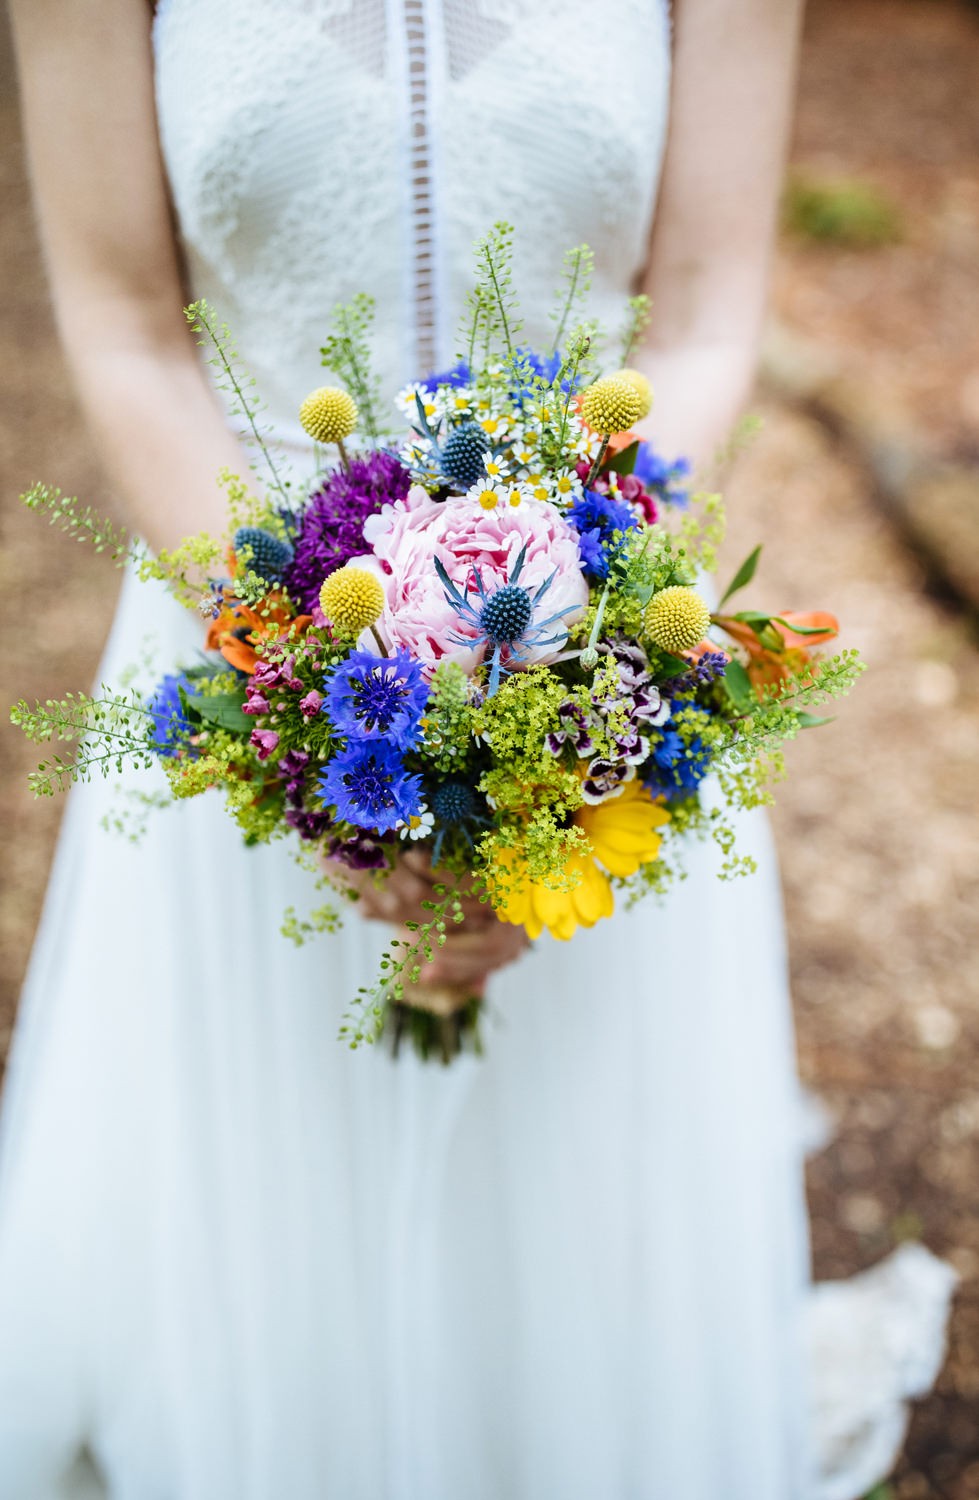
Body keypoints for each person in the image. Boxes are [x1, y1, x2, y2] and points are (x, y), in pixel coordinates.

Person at [1, 2, 946, 1497]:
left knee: (577, 1219)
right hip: (239, 628)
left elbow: (702, 308)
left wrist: (579, 680)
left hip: (594, 652)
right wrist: (299, 692)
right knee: (274, 1208)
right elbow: (122, 323)